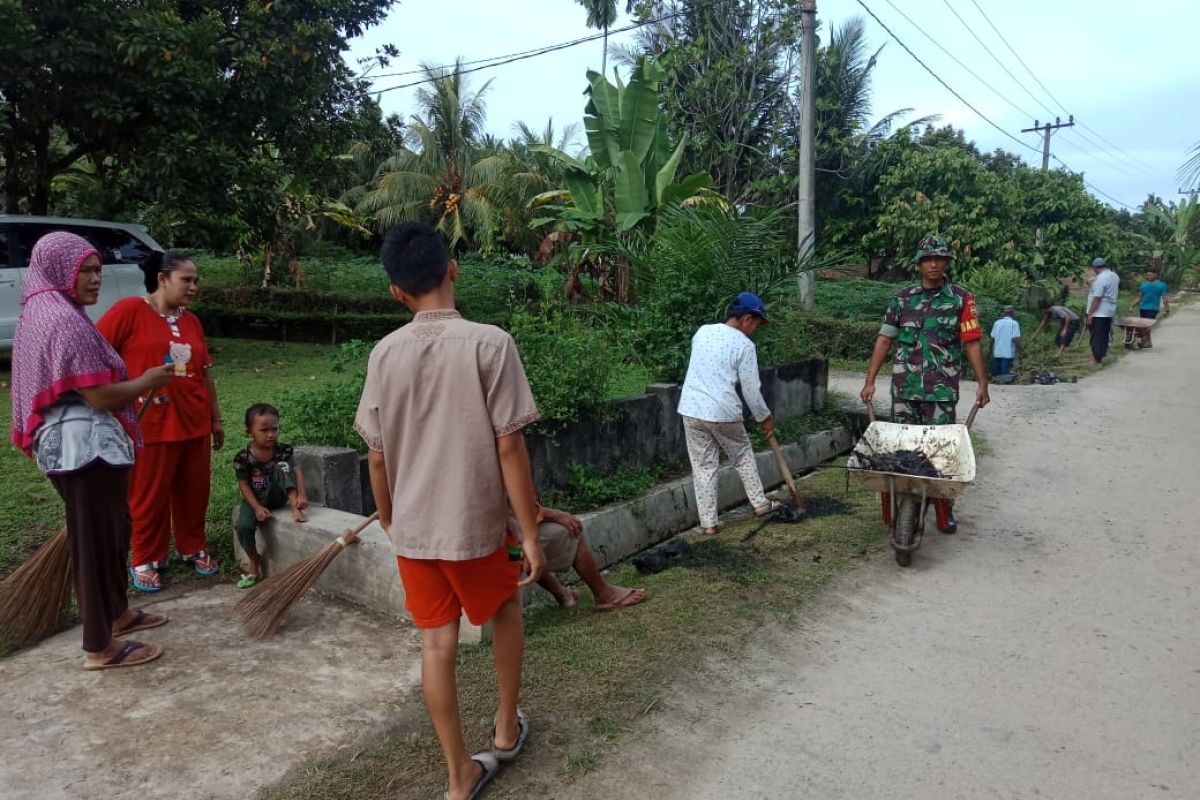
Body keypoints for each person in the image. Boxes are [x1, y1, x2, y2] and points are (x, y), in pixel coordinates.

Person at [354, 221, 546, 800]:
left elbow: (376, 455)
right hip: (475, 525)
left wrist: (389, 517)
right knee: (505, 609)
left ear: (396, 291)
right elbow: (509, 444)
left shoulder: (384, 353)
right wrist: (531, 533)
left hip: (414, 530)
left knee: (435, 645)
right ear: (453, 269)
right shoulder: (491, 343)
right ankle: (506, 729)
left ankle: (459, 773)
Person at [10, 231, 175, 669]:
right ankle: (98, 647)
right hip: (82, 452)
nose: (95, 278)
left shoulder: (47, 309)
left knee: (112, 532)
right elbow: (101, 396)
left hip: (85, 448)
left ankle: (117, 614)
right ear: (58, 269)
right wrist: (148, 381)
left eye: (98, 268)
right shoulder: (61, 319)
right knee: (92, 542)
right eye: (84, 269)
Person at [97, 252, 225, 592]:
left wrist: (215, 418)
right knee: (148, 494)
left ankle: (192, 546)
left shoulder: (192, 322)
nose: (194, 286)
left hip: (194, 421)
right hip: (150, 424)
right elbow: (96, 352)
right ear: (162, 279)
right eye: (187, 279)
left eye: (196, 280)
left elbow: (205, 373)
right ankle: (146, 557)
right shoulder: (129, 312)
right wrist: (120, 393)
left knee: (194, 490)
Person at [860, 235, 990, 534]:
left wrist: (982, 383)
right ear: (919, 263)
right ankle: (902, 502)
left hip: (941, 393)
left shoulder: (961, 299)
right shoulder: (902, 299)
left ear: (946, 263)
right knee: (901, 452)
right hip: (904, 391)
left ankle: (945, 508)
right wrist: (869, 381)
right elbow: (885, 338)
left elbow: (971, 342)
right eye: (928, 258)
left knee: (941, 454)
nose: (934, 263)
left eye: (940, 258)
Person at [677, 292, 782, 536]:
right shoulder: (745, 345)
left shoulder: (702, 332)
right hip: (722, 410)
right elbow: (751, 389)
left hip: (691, 409)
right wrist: (764, 417)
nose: (756, 329)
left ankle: (709, 524)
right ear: (746, 318)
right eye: (757, 323)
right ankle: (760, 504)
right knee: (743, 455)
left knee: (703, 467)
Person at [232, 403, 309, 589]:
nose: (270, 434)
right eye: (264, 430)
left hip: (279, 494)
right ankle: (254, 559)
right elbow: (243, 484)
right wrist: (256, 507)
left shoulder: (283, 450)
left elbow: (295, 471)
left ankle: (295, 508)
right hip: (256, 499)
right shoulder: (243, 458)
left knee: (281, 466)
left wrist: (301, 496)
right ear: (249, 432)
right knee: (243, 527)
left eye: (274, 429)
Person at [517, 505, 646, 611]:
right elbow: (516, 502)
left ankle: (563, 595)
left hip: (505, 542)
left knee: (527, 551)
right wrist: (552, 514)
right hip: (506, 544)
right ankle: (604, 594)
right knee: (569, 529)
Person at [1084, 257, 1119, 364]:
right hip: (1109, 311)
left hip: (1099, 312)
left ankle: (1096, 359)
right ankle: (1101, 355)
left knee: (1096, 336)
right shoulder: (1114, 275)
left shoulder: (1101, 278)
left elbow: (1097, 298)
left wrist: (1090, 314)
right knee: (1104, 335)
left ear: (1095, 267)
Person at [1127, 266, 1170, 348]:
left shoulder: (1162, 285)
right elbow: (1140, 297)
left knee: (1147, 326)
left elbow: (1165, 299)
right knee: (1144, 325)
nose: (1148, 276)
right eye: (1147, 275)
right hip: (1143, 308)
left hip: (1153, 308)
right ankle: (1148, 342)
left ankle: (1144, 341)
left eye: (1150, 275)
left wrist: (1167, 309)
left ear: (1155, 275)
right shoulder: (1144, 285)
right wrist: (1131, 305)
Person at [989, 306, 1022, 377]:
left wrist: (990, 350)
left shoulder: (997, 323)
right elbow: (1015, 338)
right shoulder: (1014, 323)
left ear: (1003, 313)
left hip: (997, 353)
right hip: (1008, 354)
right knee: (1005, 375)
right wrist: (1021, 350)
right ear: (1012, 313)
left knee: (996, 374)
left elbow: (992, 338)